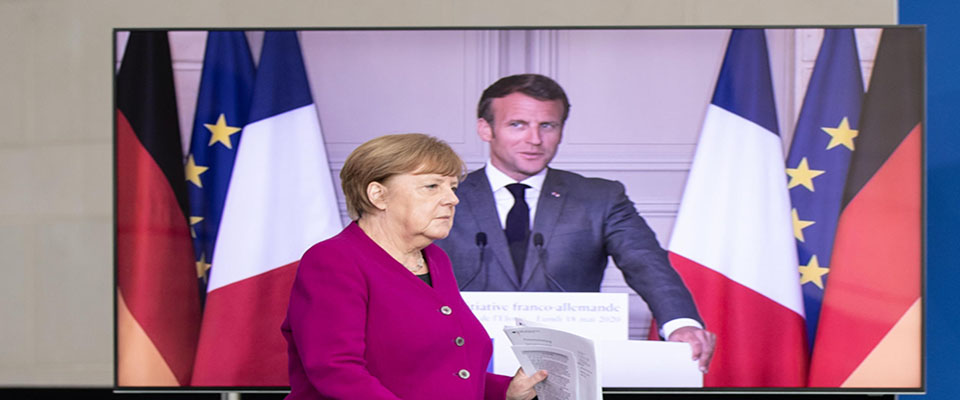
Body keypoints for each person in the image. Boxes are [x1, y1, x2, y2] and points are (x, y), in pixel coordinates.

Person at [435, 74, 716, 372]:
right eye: (517, 124)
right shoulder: (443, 195)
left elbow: (646, 262)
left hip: (566, 368)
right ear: (485, 129)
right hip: (462, 366)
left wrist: (681, 324)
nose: (534, 139)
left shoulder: (601, 197)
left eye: (548, 126)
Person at [282, 134, 547, 400]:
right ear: (378, 195)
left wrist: (506, 391)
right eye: (432, 186)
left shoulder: (436, 259)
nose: (452, 199)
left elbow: (443, 372)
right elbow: (336, 371)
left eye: (453, 187)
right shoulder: (333, 260)